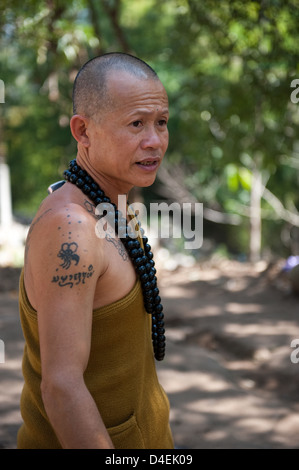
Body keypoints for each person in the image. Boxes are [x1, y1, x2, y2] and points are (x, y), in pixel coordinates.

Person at [17, 52, 174, 449]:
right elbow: (62, 387)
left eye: (161, 122)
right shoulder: (70, 226)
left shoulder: (111, 205)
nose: (154, 140)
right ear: (83, 131)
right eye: (136, 123)